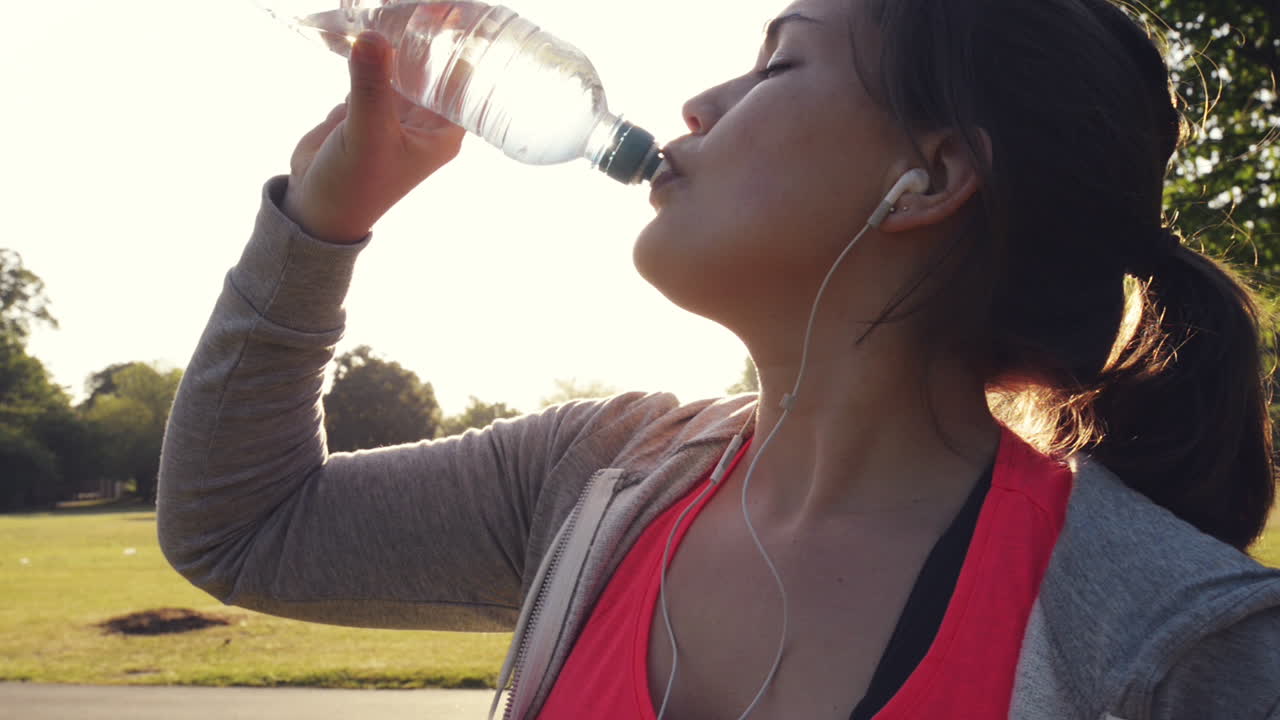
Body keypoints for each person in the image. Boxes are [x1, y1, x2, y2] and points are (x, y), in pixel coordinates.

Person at [158, 0, 1280, 717]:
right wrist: (321, 218)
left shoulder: (1168, 644)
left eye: (779, 64)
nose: (697, 103)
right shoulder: (595, 477)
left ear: (929, 180)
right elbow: (240, 526)